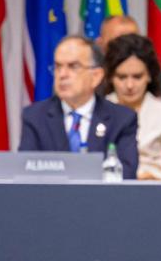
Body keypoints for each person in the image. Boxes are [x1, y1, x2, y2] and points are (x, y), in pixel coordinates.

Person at [18, 35, 138, 177]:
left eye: (73, 66)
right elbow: (25, 172)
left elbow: (126, 174)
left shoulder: (121, 119)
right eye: (57, 67)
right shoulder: (35, 117)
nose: (62, 74)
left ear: (96, 76)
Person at [102, 34, 161, 180]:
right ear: (110, 77)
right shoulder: (95, 113)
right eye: (122, 77)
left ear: (149, 76)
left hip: (159, 192)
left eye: (137, 77)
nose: (130, 85)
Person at [98, 14, 161, 98]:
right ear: (100, 43)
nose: (125, 48)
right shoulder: (91, 79)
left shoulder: (159, 80)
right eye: (117, 42)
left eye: (133, 40)